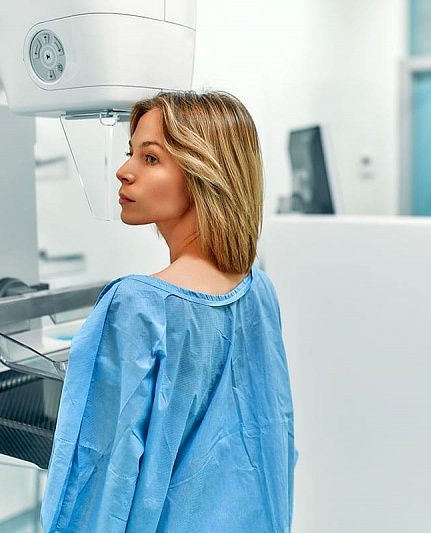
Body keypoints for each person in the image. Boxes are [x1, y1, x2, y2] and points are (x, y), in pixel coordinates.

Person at [40, 91, 297, 532]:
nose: (124, 171)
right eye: (130, 153)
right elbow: (274, 439)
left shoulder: (137, 307)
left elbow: (98, 480)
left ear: (203, 175)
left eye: (151, 158)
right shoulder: (259, 291)